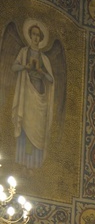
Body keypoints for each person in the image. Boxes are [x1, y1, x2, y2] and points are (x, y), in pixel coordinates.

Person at [12, 21, 55, 168]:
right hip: (26, 95)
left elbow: (51, 79)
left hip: (40, 97)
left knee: (37, 130)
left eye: (38, 35)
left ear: (41, 38)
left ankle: (34, 165)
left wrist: (42, 72)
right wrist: (26, 66)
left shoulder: (44, 59)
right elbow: (14, 67)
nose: (36, 37)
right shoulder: (24, 52)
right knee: (25, 126)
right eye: (34, 34)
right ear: (30, 36)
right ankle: (23, 163)